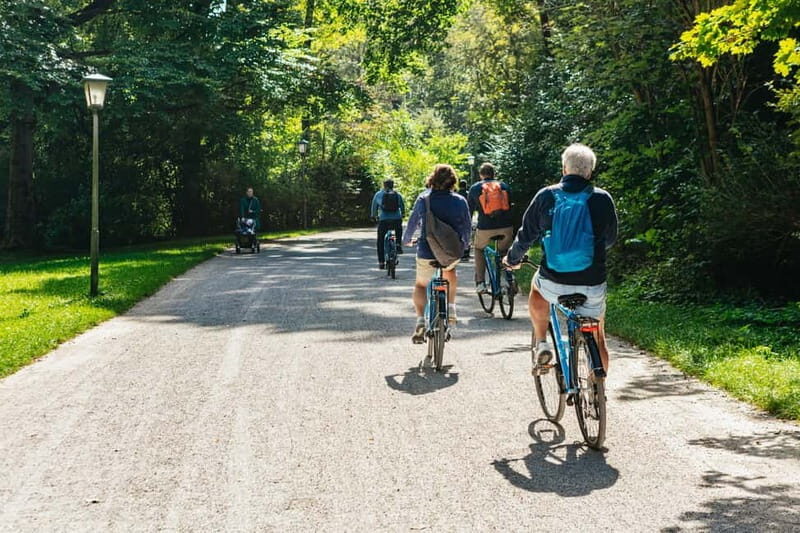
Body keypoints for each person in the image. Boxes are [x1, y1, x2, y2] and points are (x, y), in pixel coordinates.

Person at [503, 143, 618, 375]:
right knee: (598, 336)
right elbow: (610, 238)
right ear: (590, 171)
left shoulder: (546, 195)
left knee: (537, 287)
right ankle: (598, 389)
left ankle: (543, 343)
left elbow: (526, 235)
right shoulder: (602, 198)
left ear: (564, 168)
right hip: (592, 282)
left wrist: (513, 259)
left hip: (554, 280)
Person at [404, 165, 471, 343]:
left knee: (420, 284)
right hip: (450, 251)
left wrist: (406, 240)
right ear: (453, 181)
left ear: (432, 179)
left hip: (427, 250)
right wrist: (464, 246)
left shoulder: (424, 199)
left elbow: (412, 223)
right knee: (450, 272)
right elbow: (466, 227)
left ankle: (420, 321)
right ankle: (450, 307)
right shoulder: (460, 200)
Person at [468, 163, 513, 293]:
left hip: (485, 228)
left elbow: (468, 211)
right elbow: (511, 206)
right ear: (494, 173)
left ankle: (480, 283)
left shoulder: (475, 188)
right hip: (506, 227)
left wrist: (467, 228)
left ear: (481, 175)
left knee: (479, 249)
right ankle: (506, 279)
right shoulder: (504, 186)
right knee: (503, 251)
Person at [371, 179, 406, 270]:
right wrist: (402, 214)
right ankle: (398, 244)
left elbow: (374, 207)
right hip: (396, 219)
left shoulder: (378, 195)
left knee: (380, 240)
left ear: (384, 185)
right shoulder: (397, 195)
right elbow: (402, 206)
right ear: (392, 185)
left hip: (384, 220)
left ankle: (381, 262)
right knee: (398, 229)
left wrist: (374, 216)